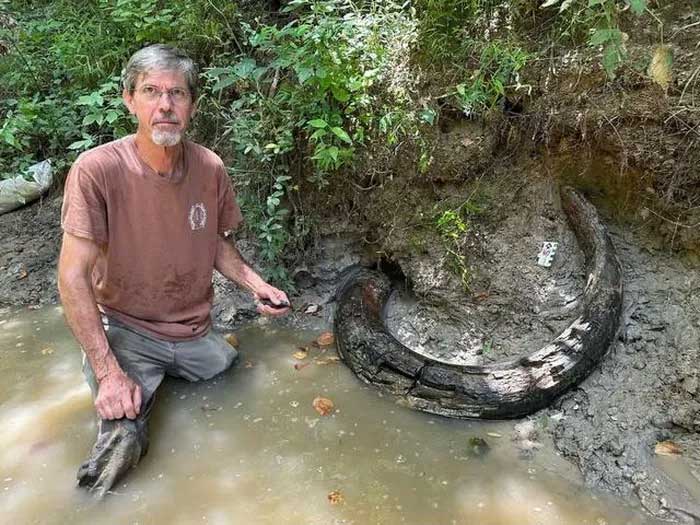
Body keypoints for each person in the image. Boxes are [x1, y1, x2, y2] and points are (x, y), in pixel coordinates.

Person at [58, 44, 290, 497]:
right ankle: (89, 505)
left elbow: (218, 246)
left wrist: (257, 285)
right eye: (151, 91)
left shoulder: (209, 167)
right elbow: (72, 277)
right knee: (122, 439)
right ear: (129, 100)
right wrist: (108, 372)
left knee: (230, 372)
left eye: (177, 94)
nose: (165, 105)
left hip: (191, 331)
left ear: (192, 106)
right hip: (126, 328)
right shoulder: (97, 170)